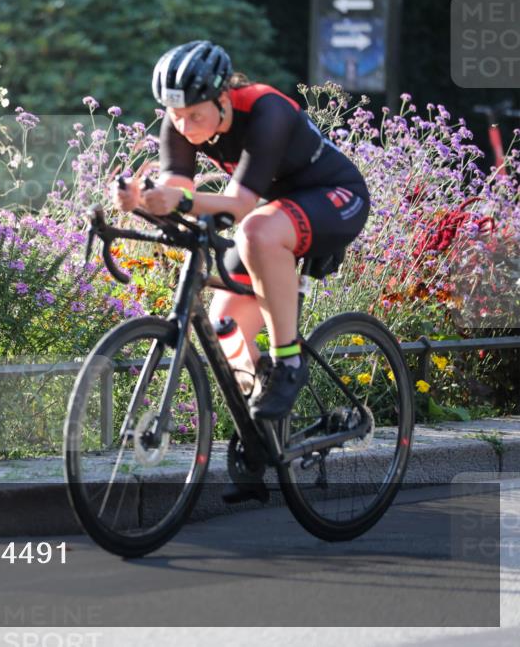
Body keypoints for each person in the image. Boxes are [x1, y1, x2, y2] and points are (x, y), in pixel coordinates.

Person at [113, 40, 371, 423]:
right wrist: (140, 200)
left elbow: (238, 205)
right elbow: (177, 193)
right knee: (225, 332)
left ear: (223, 98)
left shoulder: (267, 110)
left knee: (254, 232)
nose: (184, 126)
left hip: (335, 196)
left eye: (195, 116)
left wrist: (179, 200)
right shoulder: (181, 122)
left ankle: (288, 362)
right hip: (277, 211)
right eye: (176, 115)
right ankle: (262, 443)